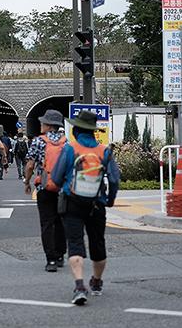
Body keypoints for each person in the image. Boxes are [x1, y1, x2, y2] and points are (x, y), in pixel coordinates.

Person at [51, 111, 120, 306]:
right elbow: (114, 180)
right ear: (93, 131)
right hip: (97, 203)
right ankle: (96, 282)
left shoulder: (69, 149)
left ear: (76, 129)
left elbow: (56, 178)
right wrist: (110, 200)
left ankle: (79, 286)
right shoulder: (104, 151)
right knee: (98, 242)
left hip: (72, 201)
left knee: (75, 243)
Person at [23, 110, 67, 273]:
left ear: (49, 126)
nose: (40, 124)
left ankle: (51, 260)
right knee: (60, 221)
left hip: (44, 187)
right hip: (63, 188)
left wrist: (27, 182)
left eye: (43, 122)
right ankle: (61, 255)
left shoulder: (38, 142)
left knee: (47, 223)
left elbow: (29, 165)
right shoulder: (65, 142)